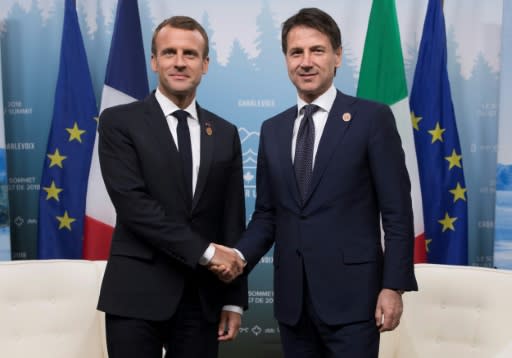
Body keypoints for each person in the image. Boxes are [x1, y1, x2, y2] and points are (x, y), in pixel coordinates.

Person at [214, 7, 418, 357]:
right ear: (286, 60)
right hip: (294, 303)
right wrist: (236, 255)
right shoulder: (273, 130)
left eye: (317, 50)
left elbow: (397, 212)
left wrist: (393, 286)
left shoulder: (372, 119)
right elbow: (266, 215)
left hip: (355, 302)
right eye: (296, 52)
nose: (306, 62)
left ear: (337, 56)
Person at [96, 16, 247, 358]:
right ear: (154, 61)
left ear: (205, 64)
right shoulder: (119, 123)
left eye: (190, 54)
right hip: (136, 295)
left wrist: (234, 300)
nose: (179, 62)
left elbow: (232, 217)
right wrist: (208, 253)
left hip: (203, 299)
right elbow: (135, 207)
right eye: (169, 52)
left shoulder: (224, 132)